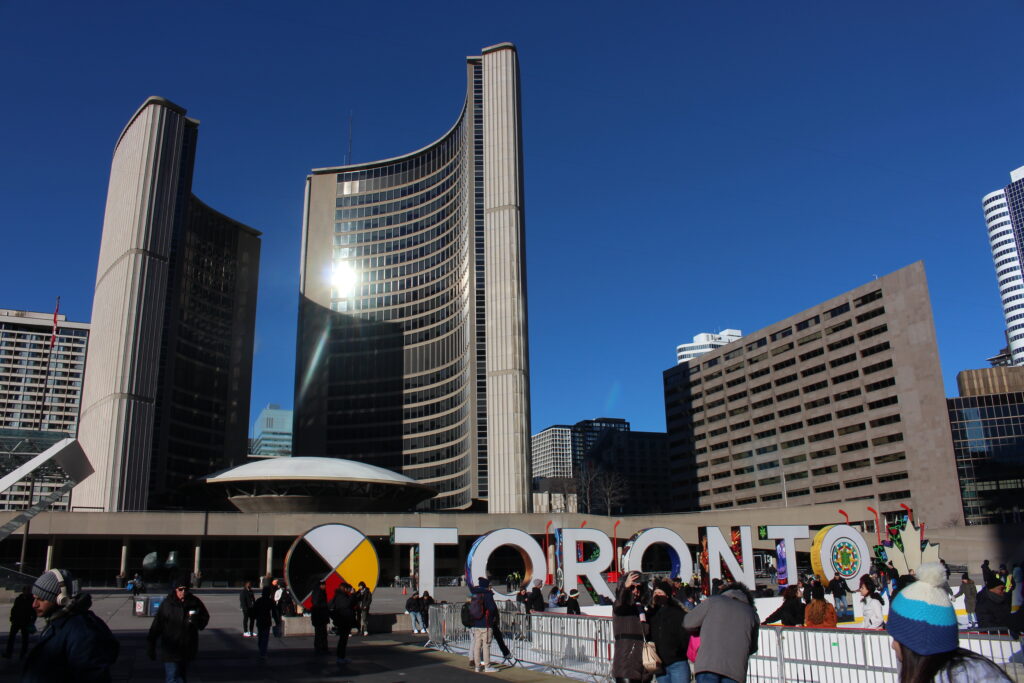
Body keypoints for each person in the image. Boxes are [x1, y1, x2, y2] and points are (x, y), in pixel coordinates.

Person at [886, 562, 1011, 682]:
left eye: (897, 638)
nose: (893, 645)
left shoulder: (954, 677)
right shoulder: (976, 670)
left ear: (915, 643)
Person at [21, 569, 119, 683]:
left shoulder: (81, 631)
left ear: (61, 599)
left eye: (41, 599)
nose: (34, 605)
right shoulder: (55, 622)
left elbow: (93, 676)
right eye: (34, 598)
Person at [684, 581, 759, 683]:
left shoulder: (712, 602)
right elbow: (753, 647)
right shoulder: (752, 614)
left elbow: (688, 622)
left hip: (708, 664)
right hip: (736, 671)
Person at [147, 576, 209, 683]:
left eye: (185, 589)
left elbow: (204, 620)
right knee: (172, 677)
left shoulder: (194, 602)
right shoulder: (168, 604)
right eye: (180, 589)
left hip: (187, 648)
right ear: (175, 589)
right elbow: (157, 625)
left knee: (181, 677)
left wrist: (196, 621)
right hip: (170, 648)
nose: (183, 592)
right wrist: (151, 645)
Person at [649, 579, 690, 683]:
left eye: (660, 593)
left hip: (677, 662)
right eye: (655, 593)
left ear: (667, 595)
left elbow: (685, 636)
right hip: (660, 664)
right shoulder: (651, 614)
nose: (657, 595)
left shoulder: (677, 613)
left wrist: (679, 651)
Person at [611, 571, 648, 683]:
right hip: (626, 665)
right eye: (632, 587)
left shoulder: (642, 608)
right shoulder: (621, 606)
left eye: (638, 588)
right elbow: (620, 603)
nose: (635, 591)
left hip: (643, 664)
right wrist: (625, 588)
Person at [468, 577, 499, 673]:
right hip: (486, 624)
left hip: (476, 623)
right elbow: (492, 608)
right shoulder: (487, 594)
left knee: (477, 645)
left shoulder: (474, 593)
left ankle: (477, 666)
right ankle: (487, 666)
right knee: (486, 645)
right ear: (486, 585)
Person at [251, 584, 282, 661]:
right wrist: (278, 622)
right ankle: (263, 652)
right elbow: (274, 612)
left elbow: (254, 611)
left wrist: (253, 619)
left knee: (260, 637)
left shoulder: (259, 601)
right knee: (265, 637)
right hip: (267, 621)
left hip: (259, 620)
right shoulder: (270, 601)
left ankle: (261, 650)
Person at [330, 581, 357, 665]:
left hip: (344, 620)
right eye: (348, 589)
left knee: (344, 640)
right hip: (343, 620)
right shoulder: (341, 596)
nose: (349, 590)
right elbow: (348, 604)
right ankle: (340, 657)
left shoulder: (340, 595)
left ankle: (342, 656)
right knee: (343, 640)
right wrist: (352, 595)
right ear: (345, 589)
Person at [4, 585, 35, 660]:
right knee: (11, 638)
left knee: (25, 639)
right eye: (26, 590)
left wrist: (32, 621)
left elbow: (34, 612)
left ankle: (23, 654)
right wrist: (12, 618)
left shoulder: (31, 599)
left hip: (25, 621)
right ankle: (9, 653)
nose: (27, 592)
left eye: (28, 590)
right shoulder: (19, 599)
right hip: (16, 621)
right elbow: (14, 609)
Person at [310, 579, 330, 654]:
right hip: (320, 616)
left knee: (319, 633)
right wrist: (325, 607)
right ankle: (322, 648)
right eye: (324, 585)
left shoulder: (316, 592)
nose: (325, 586)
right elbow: (317, 604)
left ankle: (320, 648)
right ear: (321, 585)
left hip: (318, 616)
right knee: (321, 633)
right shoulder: (319, 592)